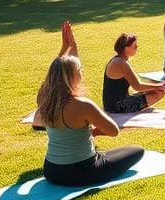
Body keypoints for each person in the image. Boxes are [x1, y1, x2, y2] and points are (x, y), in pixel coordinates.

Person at [37, 21, 144, 186]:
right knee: (137, 151)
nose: (82, 72)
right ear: (73, 76)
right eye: (80, 71)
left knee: (100, 152)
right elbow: (113, 131)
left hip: (51, 171)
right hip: (81, 172)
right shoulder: (83, 105)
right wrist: (93, 132)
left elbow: (56, 71)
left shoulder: (44, 98)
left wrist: (68, 46)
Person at [102, 33, 165, 113]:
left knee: (154, 89)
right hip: (116, 107)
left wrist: (156, 85)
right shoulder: (121, 63)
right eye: (135, 46)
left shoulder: (119, 60)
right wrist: (159, 86)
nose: (137, 48)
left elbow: (137, 84)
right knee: (159, 92)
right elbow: (137, 86)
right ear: (126, 48)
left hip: (114, 103)